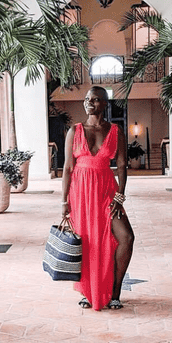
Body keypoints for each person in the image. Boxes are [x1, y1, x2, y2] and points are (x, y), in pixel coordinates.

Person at [61, 86, 135, 311]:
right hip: (81, 193)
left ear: (104, 103)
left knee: (126, 237)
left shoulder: (115, 131)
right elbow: (68, 168)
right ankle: (87, 292)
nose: (89, 103)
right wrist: (64, 202)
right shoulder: (75, 130)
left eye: (95, 99)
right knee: (88, 242)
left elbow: (121, 165)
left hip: (106, 191)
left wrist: (120, 196)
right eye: (87, 99)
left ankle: (115, 292)